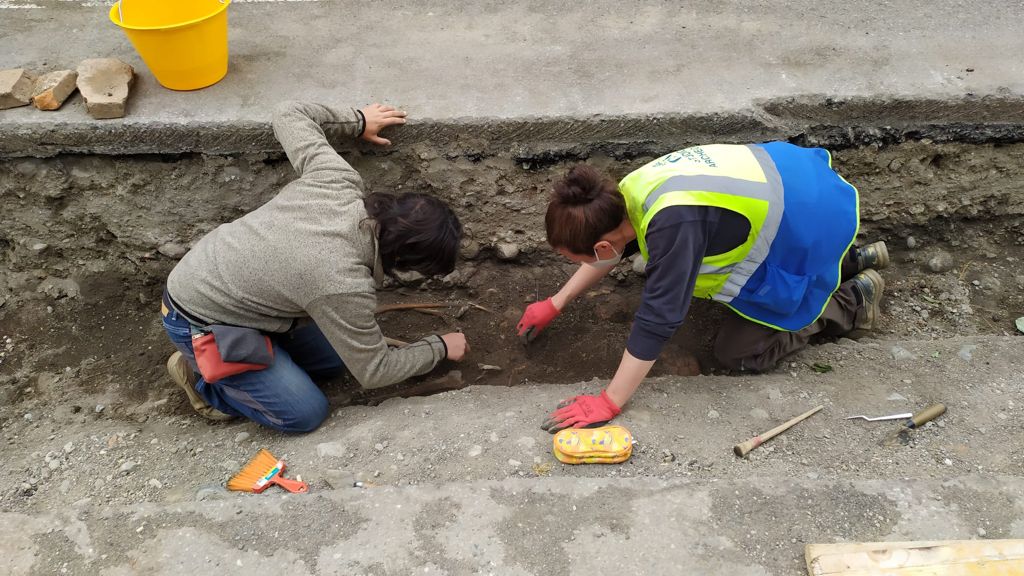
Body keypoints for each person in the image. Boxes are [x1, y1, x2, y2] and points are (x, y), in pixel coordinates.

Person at [517, 143, 888, 432]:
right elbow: (610, 250)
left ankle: (852, 301)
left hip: (807, 222)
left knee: (738, 353)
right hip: (797, 184)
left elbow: (658, 318)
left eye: (577, 259)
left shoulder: (674, 224)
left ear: (599, 246)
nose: (582, 264)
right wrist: (556, 302)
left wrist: (610, 401)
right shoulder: (624, 196)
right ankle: (854, 258)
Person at [160, 101, 469, 433]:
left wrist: (359, 120)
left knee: (334, 363)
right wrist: (437, 347)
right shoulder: (341, 283)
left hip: (236, 286)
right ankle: (202, 381)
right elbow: (375, 371)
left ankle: (268, 356)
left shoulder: (336, 180)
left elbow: (288, 113)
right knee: (304, 414)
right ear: (406, 260)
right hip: (200, 317)